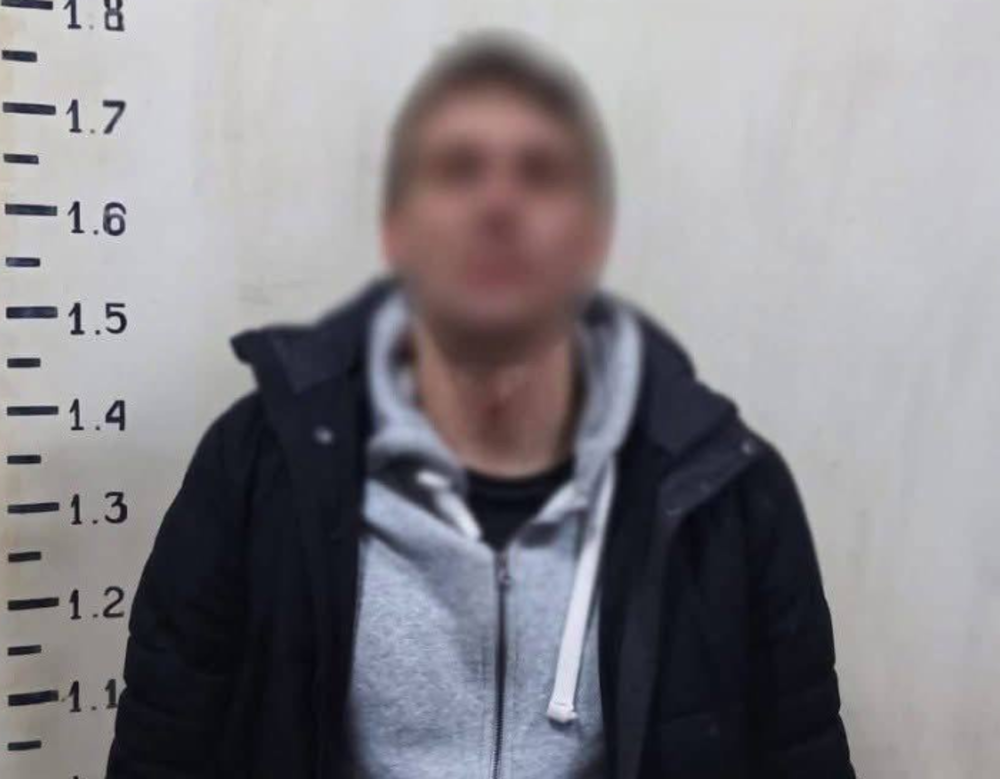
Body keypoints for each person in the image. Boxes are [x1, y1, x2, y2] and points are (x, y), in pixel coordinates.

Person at [105, 28, 854, 779]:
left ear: (593, 236)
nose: (499, 204)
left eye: (541, 173)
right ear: (396, 233)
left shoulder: (727, 491)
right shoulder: (256, 465)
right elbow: (163, 754)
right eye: (458, 169)